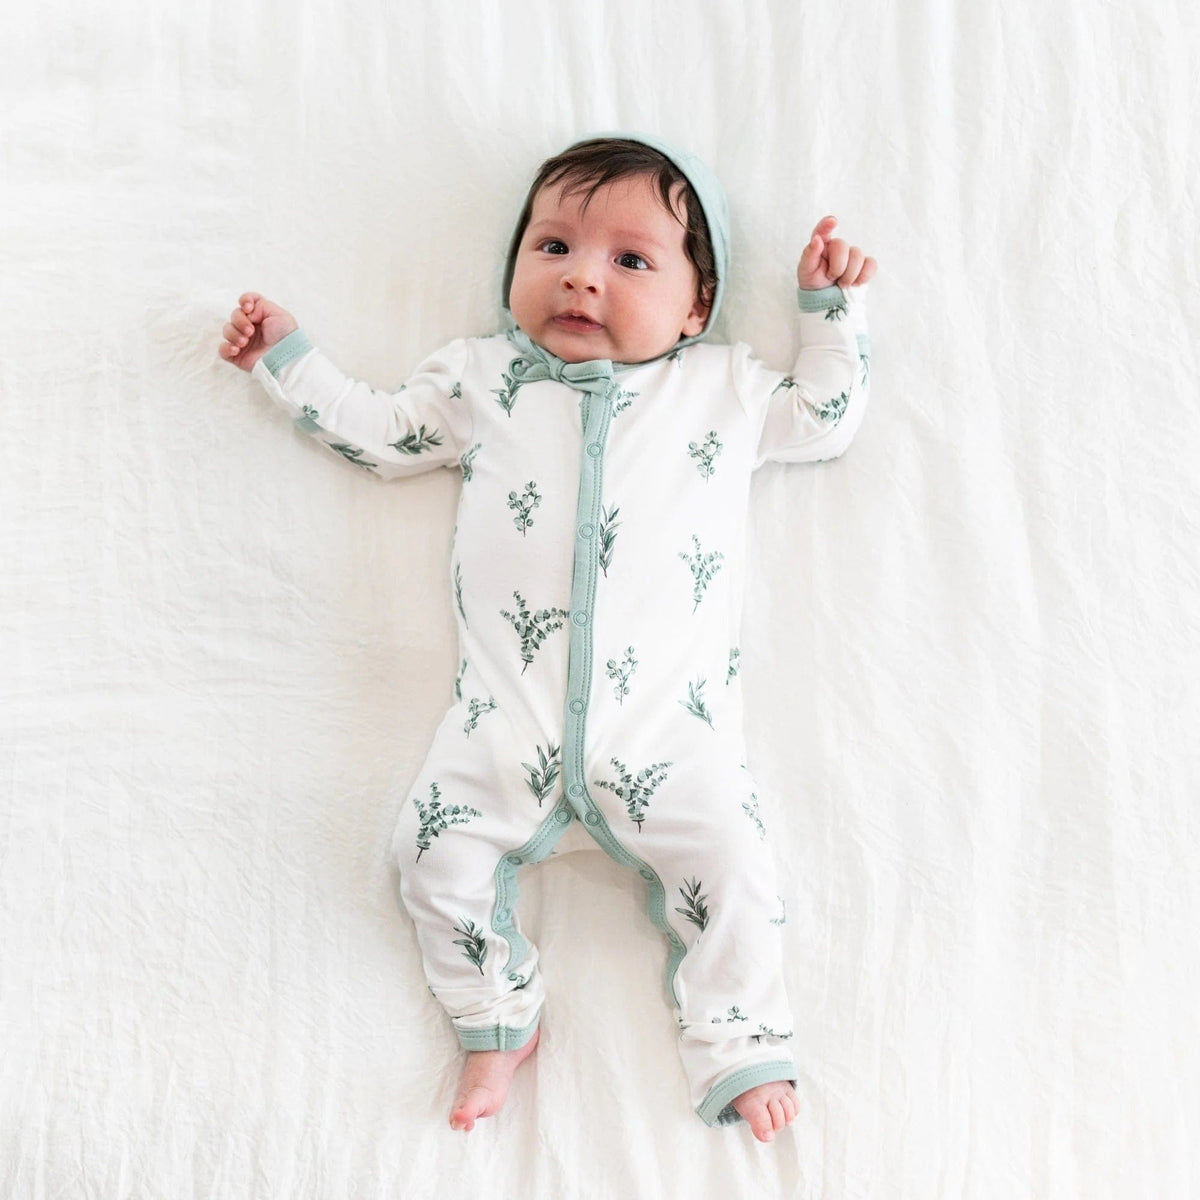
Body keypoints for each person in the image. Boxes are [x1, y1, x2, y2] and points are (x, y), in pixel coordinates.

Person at [218, 133, 876, 1143]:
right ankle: (493, 1014)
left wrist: (829, 315)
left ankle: (739, 1033)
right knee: (427, 857)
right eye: (553, 246)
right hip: (504, 722)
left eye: (630, 260)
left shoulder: (726, 388)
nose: (581, 277)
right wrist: (287, 361)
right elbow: (382, 433)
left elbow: (827, 416)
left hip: (673, 733)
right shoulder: (481, 379)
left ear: (696, 307)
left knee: (736, 873)